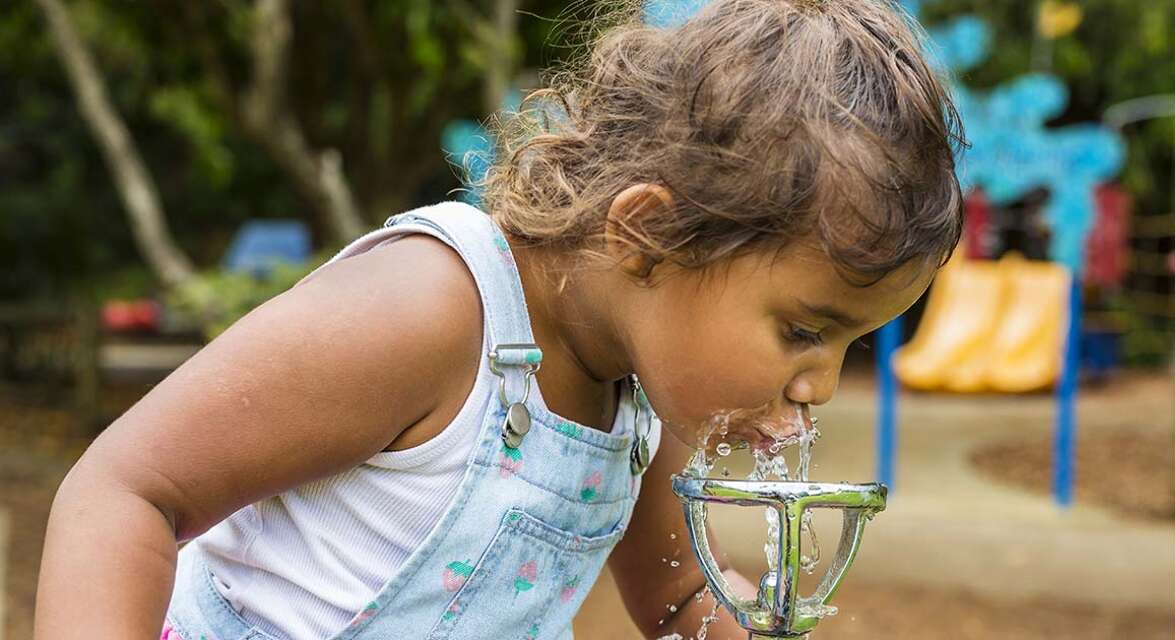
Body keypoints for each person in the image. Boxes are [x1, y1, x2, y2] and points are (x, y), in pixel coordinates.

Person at [35, 1, 964, 638]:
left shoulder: (639, 399)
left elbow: (681, 600)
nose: (822, 387)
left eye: (855, 342)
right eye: (805, 330)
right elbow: (125, 491)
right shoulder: (428, 315)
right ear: (648, 234)